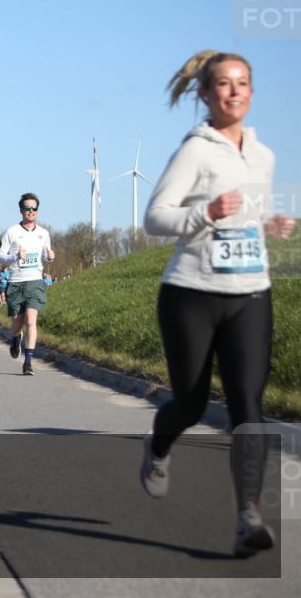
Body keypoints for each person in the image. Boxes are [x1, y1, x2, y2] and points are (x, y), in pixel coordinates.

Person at [141, 50, 295, 558]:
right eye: (224, 85)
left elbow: (251, 216)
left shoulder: (264, 155)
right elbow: (156, 216)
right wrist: (204, 212)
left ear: (252, 92)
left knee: (248, 406)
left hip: (251, 292)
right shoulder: (196, 151)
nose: (235, 92)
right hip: (191, 293)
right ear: (205, 96)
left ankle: (248, 516)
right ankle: (159, 446)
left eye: (243, 83)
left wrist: (270, 226)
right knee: (189, 401)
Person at [0, 193, 54, 376]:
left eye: (34, 208)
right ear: (21, 210)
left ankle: (28, 362)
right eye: (27, 208)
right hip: (15, 281)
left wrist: (50, 257)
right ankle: (15, 339)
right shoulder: (12, 231)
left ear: (37, 210)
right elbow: (0, 256)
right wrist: (15, 257)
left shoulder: (43, 233)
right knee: (17, 323)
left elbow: (45, 256)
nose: (31, 211)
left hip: (34, 280)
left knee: (31, 320)